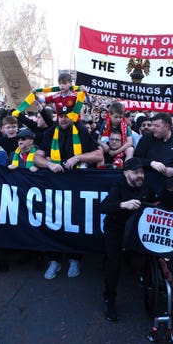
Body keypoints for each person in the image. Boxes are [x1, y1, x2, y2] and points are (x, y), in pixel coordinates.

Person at [34, 104, 103, 279]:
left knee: (74, 221)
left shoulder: (80, 130)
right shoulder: (50, 133)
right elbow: (37, 157)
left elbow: (98, 155)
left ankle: (75, 258)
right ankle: (54, 260)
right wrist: (49, 164)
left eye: (66, 115)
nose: (63, 119)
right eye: (60, 115)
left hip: (76, 185)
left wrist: (78, 157)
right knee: (52, 220)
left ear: (72, 116)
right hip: (55, 185)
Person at [100, 157, 158, 322]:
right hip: (115, 229)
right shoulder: (117, 186)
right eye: (136, 173)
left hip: (137, 230)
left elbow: (155, 202)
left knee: (143, 259)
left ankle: (147, 286)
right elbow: (103, 207)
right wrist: (122, 205)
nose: (140, 176)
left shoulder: (147, 187)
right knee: (114, 263)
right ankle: (109, 299)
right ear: (126, 173)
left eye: (142, 172)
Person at [134, 112, 173, 190]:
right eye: (152, 125)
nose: (152, 128)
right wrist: (151, 163)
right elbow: (136, 159)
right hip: (149, 181)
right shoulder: (146, 139)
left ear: (167, 126)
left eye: (157, 126)